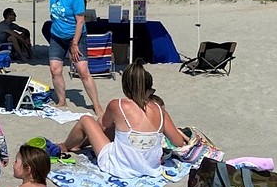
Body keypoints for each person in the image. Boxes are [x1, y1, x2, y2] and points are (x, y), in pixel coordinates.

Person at [59, 60, 187, 179]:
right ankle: (78, 144)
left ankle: (64, 147)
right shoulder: (159, 109)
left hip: (119, 167)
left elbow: (103, 124)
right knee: (118, 128)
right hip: (150, 168)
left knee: (86, 119)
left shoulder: (118, 105)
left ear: (125, 86)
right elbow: (178, 142)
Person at [26, 0, 103, 116]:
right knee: (55, 70)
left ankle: (97, 106)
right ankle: (62, 101)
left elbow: (80, 21)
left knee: (83, 71)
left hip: (76, 36)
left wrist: (74, 44)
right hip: (57, 37)